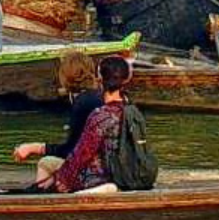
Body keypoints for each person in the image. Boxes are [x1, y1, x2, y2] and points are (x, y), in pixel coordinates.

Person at [14, 56, 136, 193]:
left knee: (46, 164)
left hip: (103, 174)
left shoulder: (93, 111)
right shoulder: (130, 108)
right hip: (126, 170)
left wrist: (60, 178)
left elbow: (79, 152)